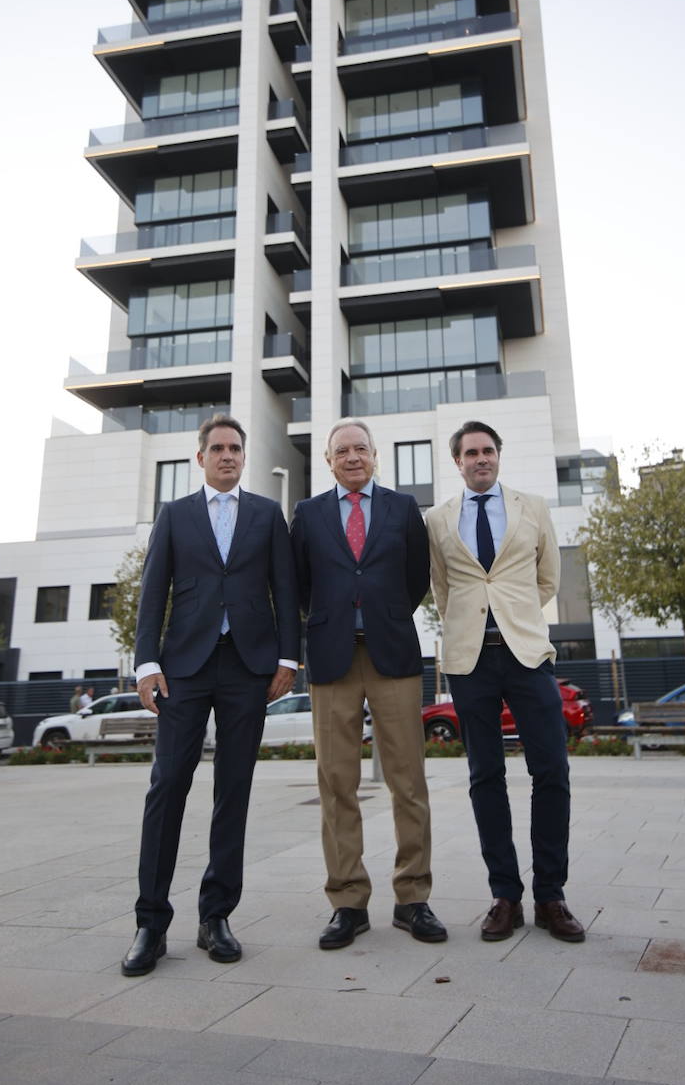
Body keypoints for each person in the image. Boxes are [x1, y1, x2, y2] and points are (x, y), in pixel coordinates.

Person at [121, 414, 300, 977]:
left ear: (244, 458)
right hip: (184, 669)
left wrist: (288, 658)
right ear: (200, 458)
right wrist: (146, 662)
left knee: (234, 790)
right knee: (167, 785)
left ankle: (215, 916)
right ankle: (151, 923)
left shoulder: (268, 516)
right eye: (217, 448)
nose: (227, 455)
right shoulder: (174, 516)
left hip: (249, 667)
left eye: (235, 449)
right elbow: (153, 592)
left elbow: (285, 589)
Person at [426, 420, 584, 944]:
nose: (480, 459)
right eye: (470, 453)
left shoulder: (532, 508)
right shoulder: (438, 520)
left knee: (552, 770)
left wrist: (511, 616)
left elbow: (548, 580)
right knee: (484, 776)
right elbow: (442, 589)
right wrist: (473, 623)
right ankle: (505, 896)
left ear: (499, 455)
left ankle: (551, 896)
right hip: (470, 662)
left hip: (526, 654)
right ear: (458, 462)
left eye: (488, 450)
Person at [290, 420, 446, 950]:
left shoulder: (404, 509)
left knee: (409, 780)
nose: (352, 457)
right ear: (328, 462)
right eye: (342, 451)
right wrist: (334, 617)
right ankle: (348, 902)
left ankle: (413, 898)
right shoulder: (308, 514)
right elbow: (300, 584)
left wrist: (382, 612)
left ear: (375, 456)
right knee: (337, 784)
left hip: (393, 656)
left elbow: (417, 577)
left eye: (361, 449)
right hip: (333, 659)